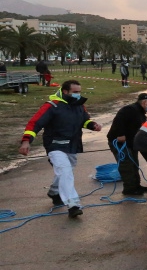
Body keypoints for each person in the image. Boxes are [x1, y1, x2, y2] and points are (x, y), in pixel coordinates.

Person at [19, 80, 103, 218]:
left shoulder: (79, 105)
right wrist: (26, 141)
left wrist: (92, 125)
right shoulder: (52, 106)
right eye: (75, 92)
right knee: (65, 171)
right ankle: (73, 204)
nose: (78, 95)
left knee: (65, 171)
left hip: (72, 145)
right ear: (65, 91)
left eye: (79, 92)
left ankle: (54, 192)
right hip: (55, 145)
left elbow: (84, 120)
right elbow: (35, 123)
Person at [106, 93, 147, 196]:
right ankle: (129, 188)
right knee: (127, 165)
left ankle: (136, 185)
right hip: (119, 142)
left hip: (131, 143)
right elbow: (119, 121)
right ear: (144, 102)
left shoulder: (141, 113)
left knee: (134, 164)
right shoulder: (130, 110)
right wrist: (120, 134)